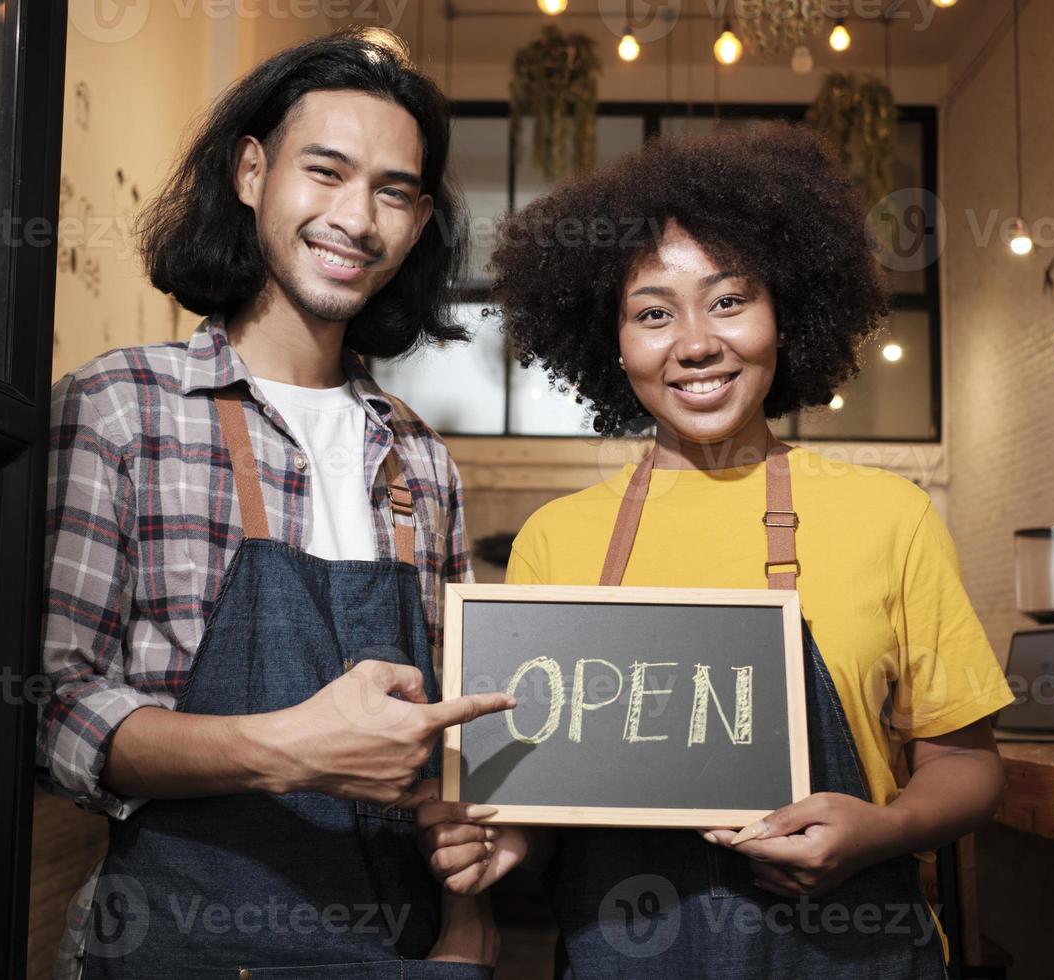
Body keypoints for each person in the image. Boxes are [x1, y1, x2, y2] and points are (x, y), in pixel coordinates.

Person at [417, 123, 1014, 977]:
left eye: (730, 301)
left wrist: (879, 830)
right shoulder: (556, 541)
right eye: (653, 313)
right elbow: (538, 791)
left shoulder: (892, 516)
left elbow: (969, 769)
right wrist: (504, 838)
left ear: (787, 311)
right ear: (612, 342)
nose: (696, 343)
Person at [38, 28, 512, 978]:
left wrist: (471, 920)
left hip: (399, 947)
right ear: (252, 172)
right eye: (325, 172)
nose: (356, 217)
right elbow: (55, 713)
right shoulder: (122, 409)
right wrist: (289, 748)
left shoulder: (422, 461)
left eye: (393, 192)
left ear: (417, 225)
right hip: (177, 941)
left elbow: (460, 757)